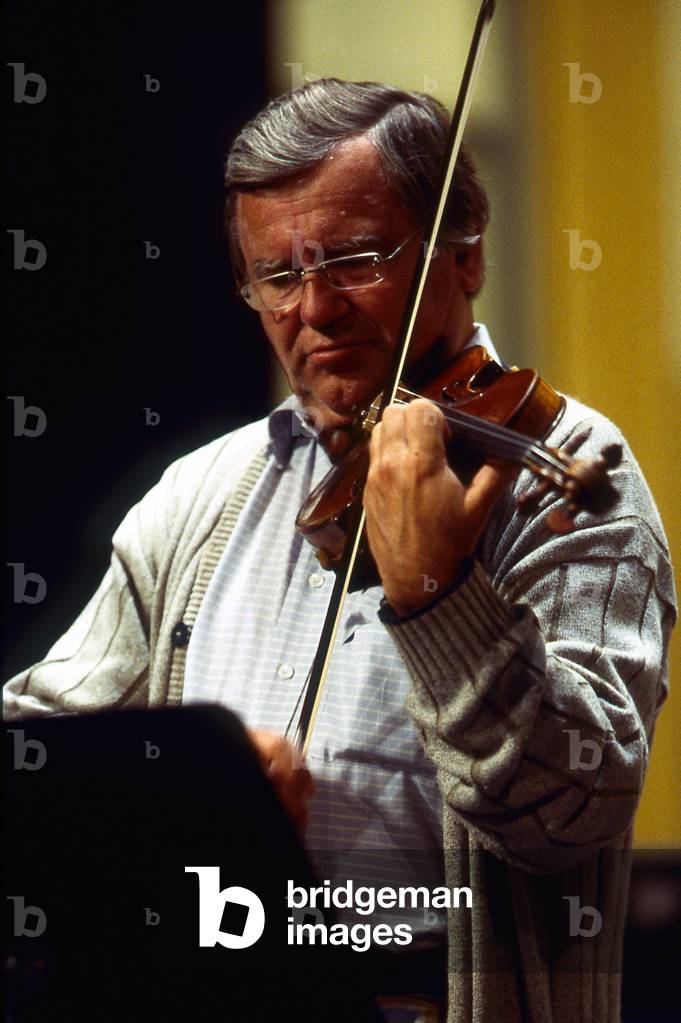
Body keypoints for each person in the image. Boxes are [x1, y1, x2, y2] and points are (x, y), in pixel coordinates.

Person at [4, 80, 676, 1022]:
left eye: (355, 258)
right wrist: (189, 792)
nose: (313, 308)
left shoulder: (568, 477)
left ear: (465, 252)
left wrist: (440, 597)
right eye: (276, 275)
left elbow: (570, 811)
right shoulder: (202, 491)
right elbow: (40, 755)